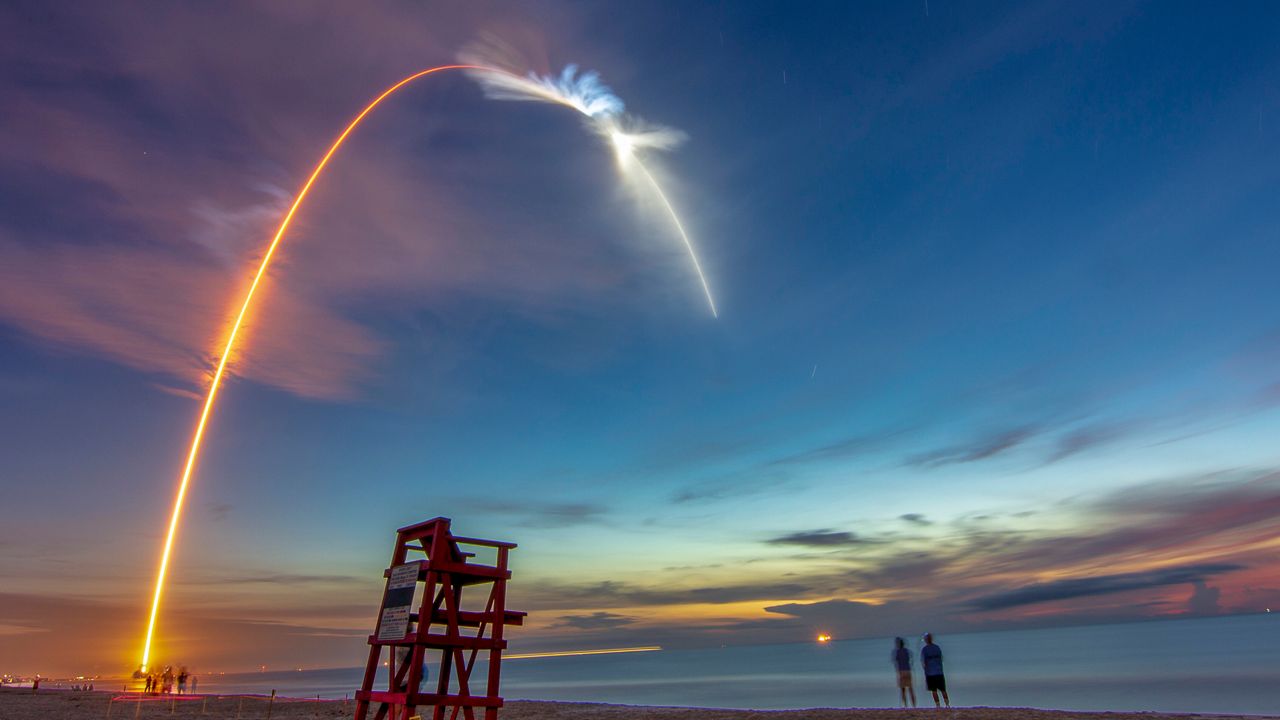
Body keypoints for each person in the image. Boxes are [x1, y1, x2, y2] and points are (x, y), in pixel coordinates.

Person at [920, 632, 950, 708]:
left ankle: (938, 705)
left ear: (926, 640)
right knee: (943, 689)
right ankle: (947, 704)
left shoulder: (925, 649)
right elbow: (941, 659)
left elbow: (924, 663)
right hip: (939, 672)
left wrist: (926, 671)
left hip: (930, 673)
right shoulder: (937, 647)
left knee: (934, 690)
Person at [892, 636, 916, 707]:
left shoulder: (897, 652)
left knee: (903, 690)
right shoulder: (907, 651)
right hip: (908, 670)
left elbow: (895, 661)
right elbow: (911, 658)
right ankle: (914, 705)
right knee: (910, 688)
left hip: (901, 671)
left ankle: (905, 705)